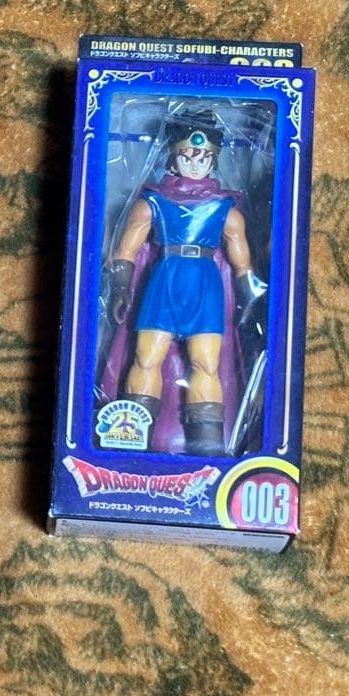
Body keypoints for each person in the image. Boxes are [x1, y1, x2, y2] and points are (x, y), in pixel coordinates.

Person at [106, 113, 262, 454]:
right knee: (146, 358)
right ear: (173, 157)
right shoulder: (152, 203)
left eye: (203, 158)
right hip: (164, 282)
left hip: (205, 287)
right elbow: (125, 251)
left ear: (213, 160)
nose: (195, 164)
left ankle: (207, 445)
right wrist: (119, 288)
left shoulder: (225, 209)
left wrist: (250, 301)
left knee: (206, 363)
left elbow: (242, 263)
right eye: (188, 156)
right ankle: (132, 437)